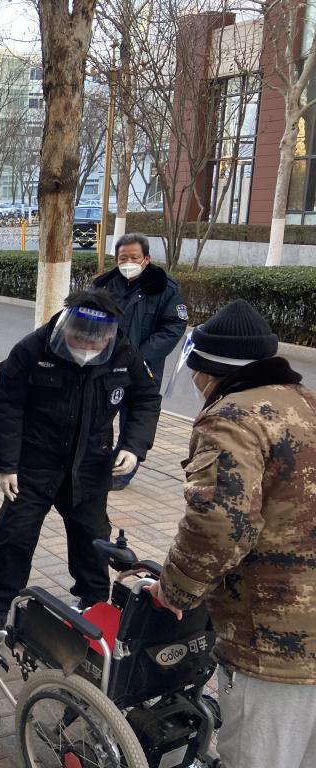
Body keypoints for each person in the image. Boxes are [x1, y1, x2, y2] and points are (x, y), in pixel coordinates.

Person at [144, 300, 316, 768]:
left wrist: (175, 589)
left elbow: (219, 526)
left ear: (208, 370)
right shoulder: (306, 401)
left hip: (276, 641)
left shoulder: (232, 417)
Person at [0, 289, 161, 634]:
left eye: (96, 345)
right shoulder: (33, 349)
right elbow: (7, 406)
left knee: (92, 538)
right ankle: (0, 606)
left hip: (91, 464)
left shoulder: (123, 353)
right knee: (14, 535)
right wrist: (7, 464)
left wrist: (133, 446)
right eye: (79, 341)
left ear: (108, 337)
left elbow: (146, 399)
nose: (86, 350)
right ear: (67, 329)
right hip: (35, 463)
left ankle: (92, 602)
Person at [94, 233, 187, 489]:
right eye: (123, 258)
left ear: (146, 259)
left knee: (134, 419)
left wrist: (139, 357)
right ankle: (97, 463)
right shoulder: (104, 285)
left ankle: (121, 472)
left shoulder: (165, 288)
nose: (128, 262)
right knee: (98, 417)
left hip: (144, 368)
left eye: (134, 257)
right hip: (105, 365)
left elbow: (174, 327)